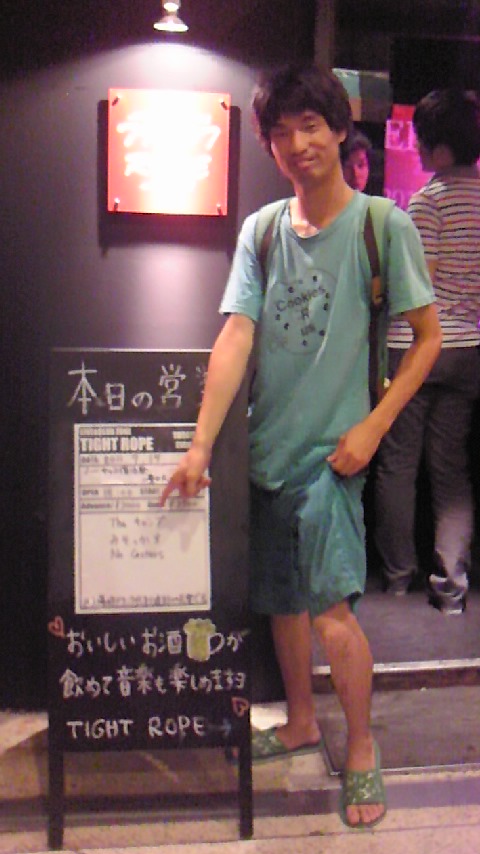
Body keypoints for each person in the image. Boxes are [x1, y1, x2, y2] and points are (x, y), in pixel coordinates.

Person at [160, 63, 441, 828]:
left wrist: (373, 425)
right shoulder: (261, 231)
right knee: (283, 604)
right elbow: (236, 335)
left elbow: (427, 338)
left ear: (340, 128)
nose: (297, 144)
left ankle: (362, 748)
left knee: (331, 613)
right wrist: (201, 445)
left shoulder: (382, 225)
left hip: (332, 459)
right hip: (267, 454)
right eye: (281, 133)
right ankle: (302, 723)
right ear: (268, 145)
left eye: (310, 126)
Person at [375, 88, 480, 613]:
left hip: (418, 348)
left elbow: (420, 288)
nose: (415, 148)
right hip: (469, 350)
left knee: (398, 464)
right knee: (450, 469)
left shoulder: (428, 201)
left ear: (440, 145)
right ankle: (451, 585)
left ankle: (398, 579)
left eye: (420, 139)